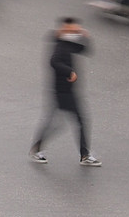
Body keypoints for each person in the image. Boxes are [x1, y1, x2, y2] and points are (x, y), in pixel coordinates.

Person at [31, 18, 97, 166]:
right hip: (62, 92)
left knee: (59, 122)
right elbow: (54, 61)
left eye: (76, 31)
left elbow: (85, 50)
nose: (75, 34)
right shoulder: (60, 46)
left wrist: (85, 37)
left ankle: (37, 148)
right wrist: (70, 72)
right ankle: (84, 155)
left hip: (66, 91)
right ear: (65, 31)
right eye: (73, 31)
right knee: (77, 121)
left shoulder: (67, 43)